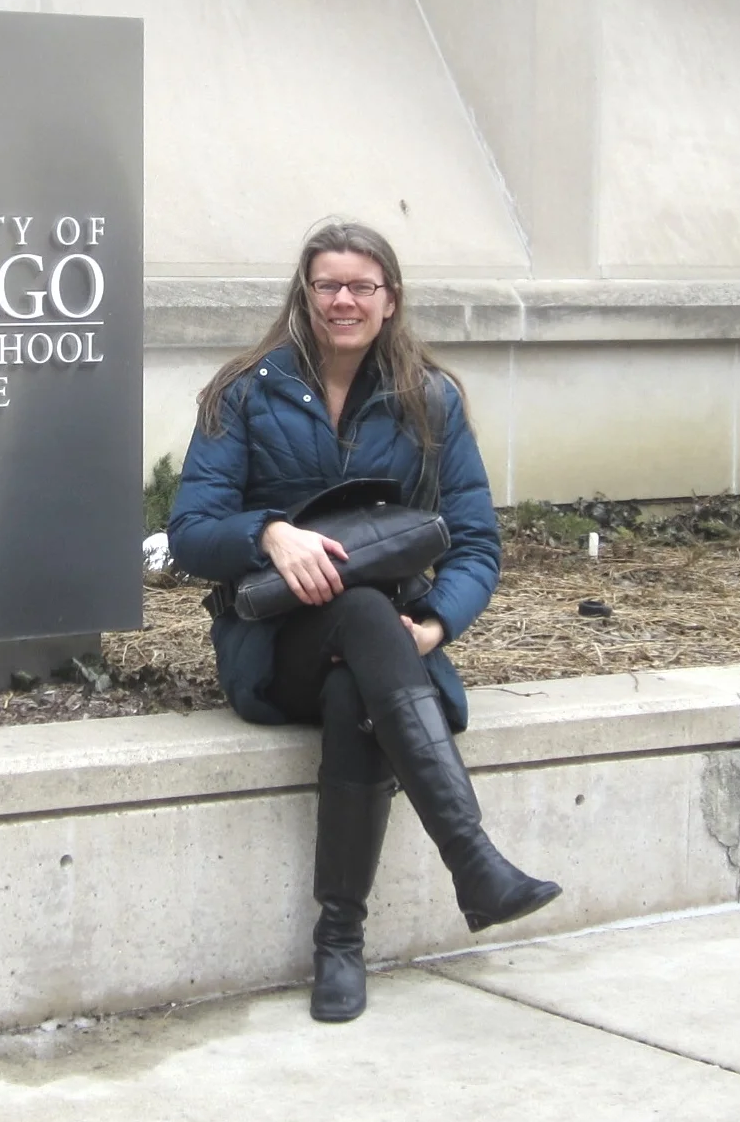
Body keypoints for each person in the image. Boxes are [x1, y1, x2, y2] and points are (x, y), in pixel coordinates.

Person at [167, 220, 560, 1024]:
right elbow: (189, 532)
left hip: (387, 648)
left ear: (390, 299)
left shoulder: (430, 399)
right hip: (274, 648)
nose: (341, 300)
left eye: (359, 286)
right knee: (355, 607)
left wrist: (436, 627)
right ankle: (472, 861)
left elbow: (475, 544)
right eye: (327, 285)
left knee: (358, 681)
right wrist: (267, 534)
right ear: (304, 294)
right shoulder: (244, 390)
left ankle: (338, 940)